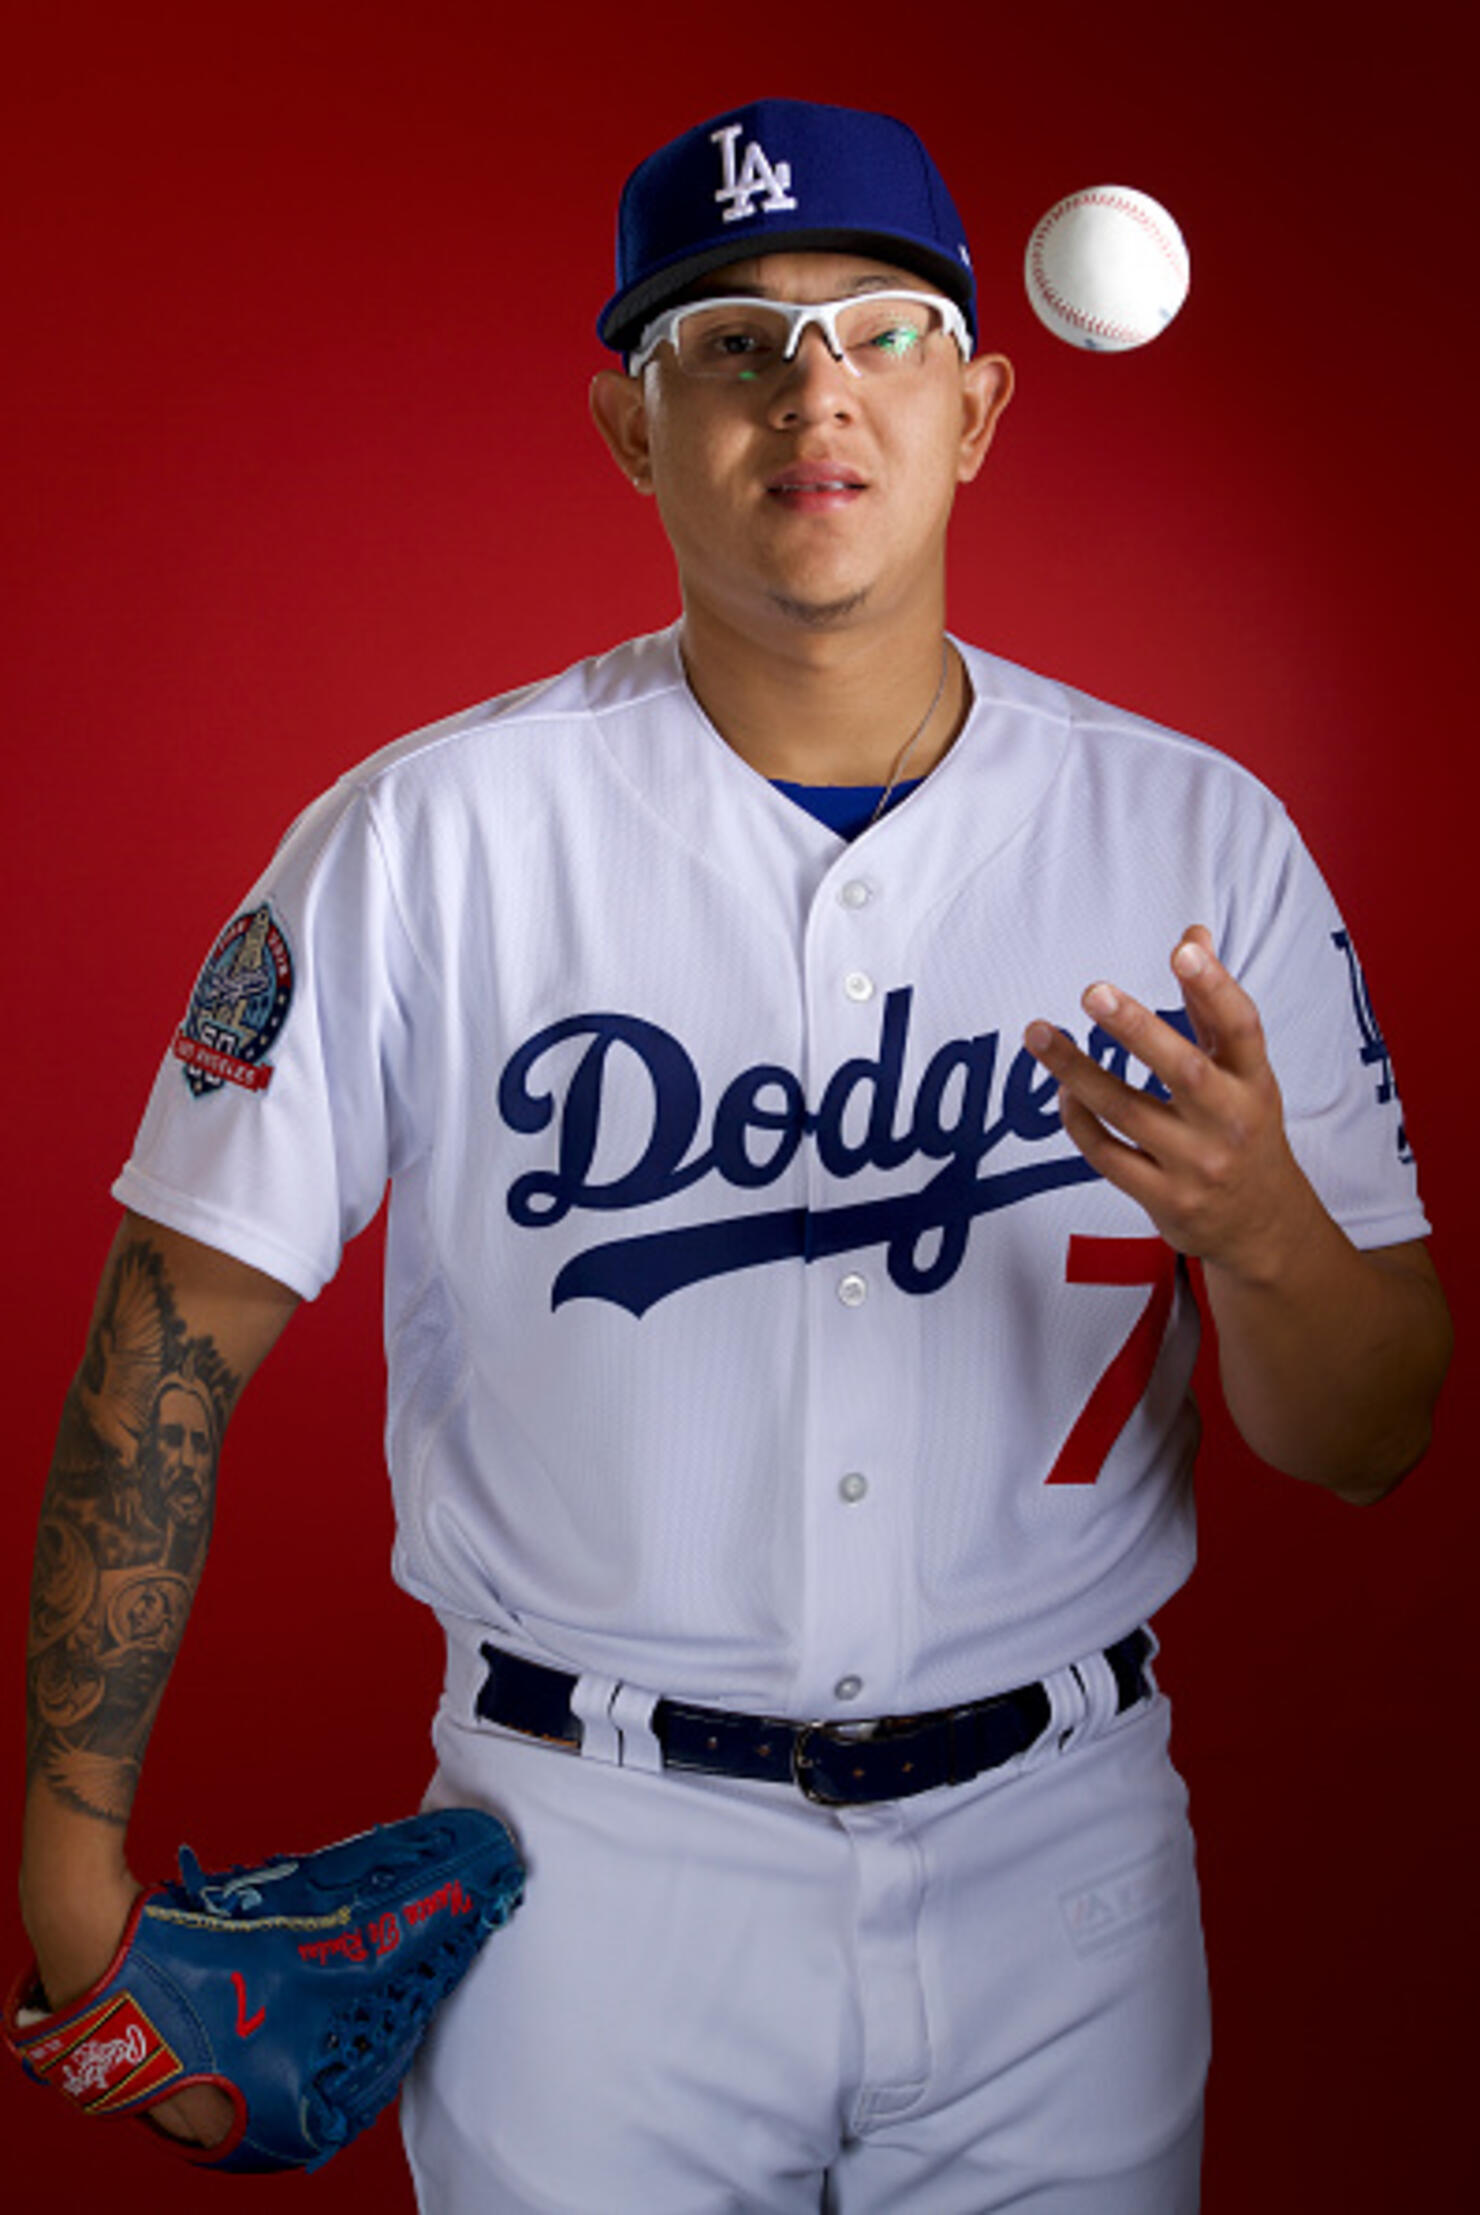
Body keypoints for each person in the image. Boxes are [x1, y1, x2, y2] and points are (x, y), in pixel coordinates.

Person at [18, 97, 1450, 2213]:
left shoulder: (1194, 839)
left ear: (974, 408)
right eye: (729, 341)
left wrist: (1256, 1230)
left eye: (876, 329)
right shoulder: (430, 835)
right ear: (630, 427)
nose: (813, 389)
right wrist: (69, 1866)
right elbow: (174, 1324)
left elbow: (1368, 1430)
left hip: (1059, 1864)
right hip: (584, 1872)